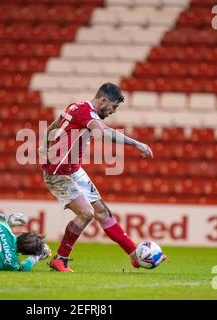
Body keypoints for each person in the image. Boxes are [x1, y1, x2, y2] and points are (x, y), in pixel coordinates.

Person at [40, 82, 166, 272]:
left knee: (102, 212)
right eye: (114, 106)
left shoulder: (76, 107)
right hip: (58, 173)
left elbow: (52, 127)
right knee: (86, 214)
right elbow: (105, 132)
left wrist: (44, 146)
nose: (114, 111)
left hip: (73, 170)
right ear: (103, 101)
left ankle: (135, 256)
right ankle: (60, 259)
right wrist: (136, 144)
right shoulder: (86, 113)